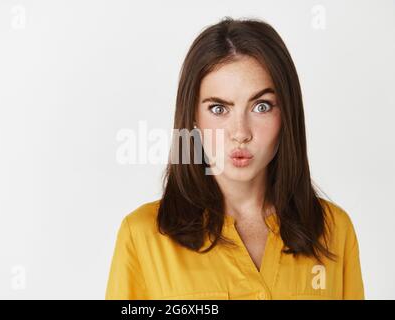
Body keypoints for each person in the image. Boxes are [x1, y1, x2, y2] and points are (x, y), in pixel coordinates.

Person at [105, 17, 364, 300]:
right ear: (193, 117)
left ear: (287, 114)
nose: (240, 133)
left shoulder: (334, 231)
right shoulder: (143, 236)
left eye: (261, 106)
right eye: (218, 109)